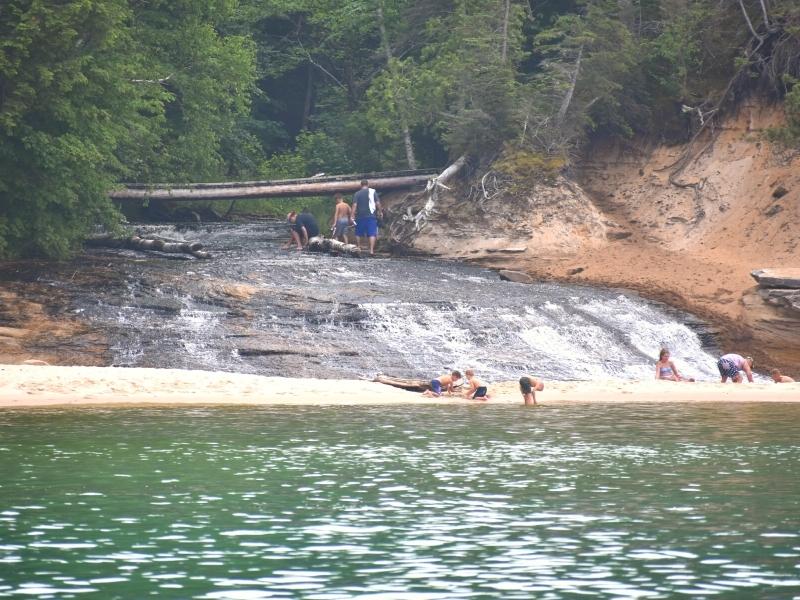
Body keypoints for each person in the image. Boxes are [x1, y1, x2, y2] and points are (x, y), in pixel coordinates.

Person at [352, 179, 383, 256]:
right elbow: (378, 203)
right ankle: (371, 251)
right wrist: (380, 211)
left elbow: (355, 205)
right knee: (372, 233)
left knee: (358, 233)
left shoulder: (357, 194)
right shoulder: (373, 192)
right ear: (367, 185)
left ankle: (358, 248)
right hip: (371, 216)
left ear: (361, 185)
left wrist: (352, 215)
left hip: (360, 216)